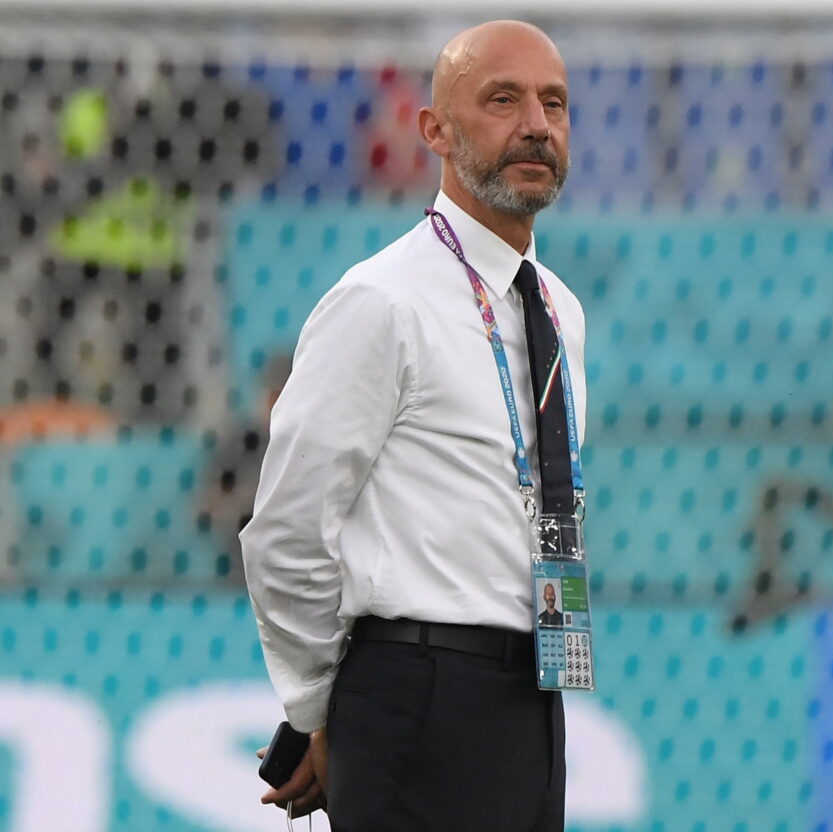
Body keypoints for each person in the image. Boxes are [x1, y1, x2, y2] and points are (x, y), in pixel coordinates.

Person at [241, 20, 584, 830]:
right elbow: (287, 531)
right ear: (435, 130)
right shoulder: (382, 301)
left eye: (554, 103)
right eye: (502, 100)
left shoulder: (559, 310)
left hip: (533, 695)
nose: (536, 125)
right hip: (417, 693)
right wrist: (316, 710)